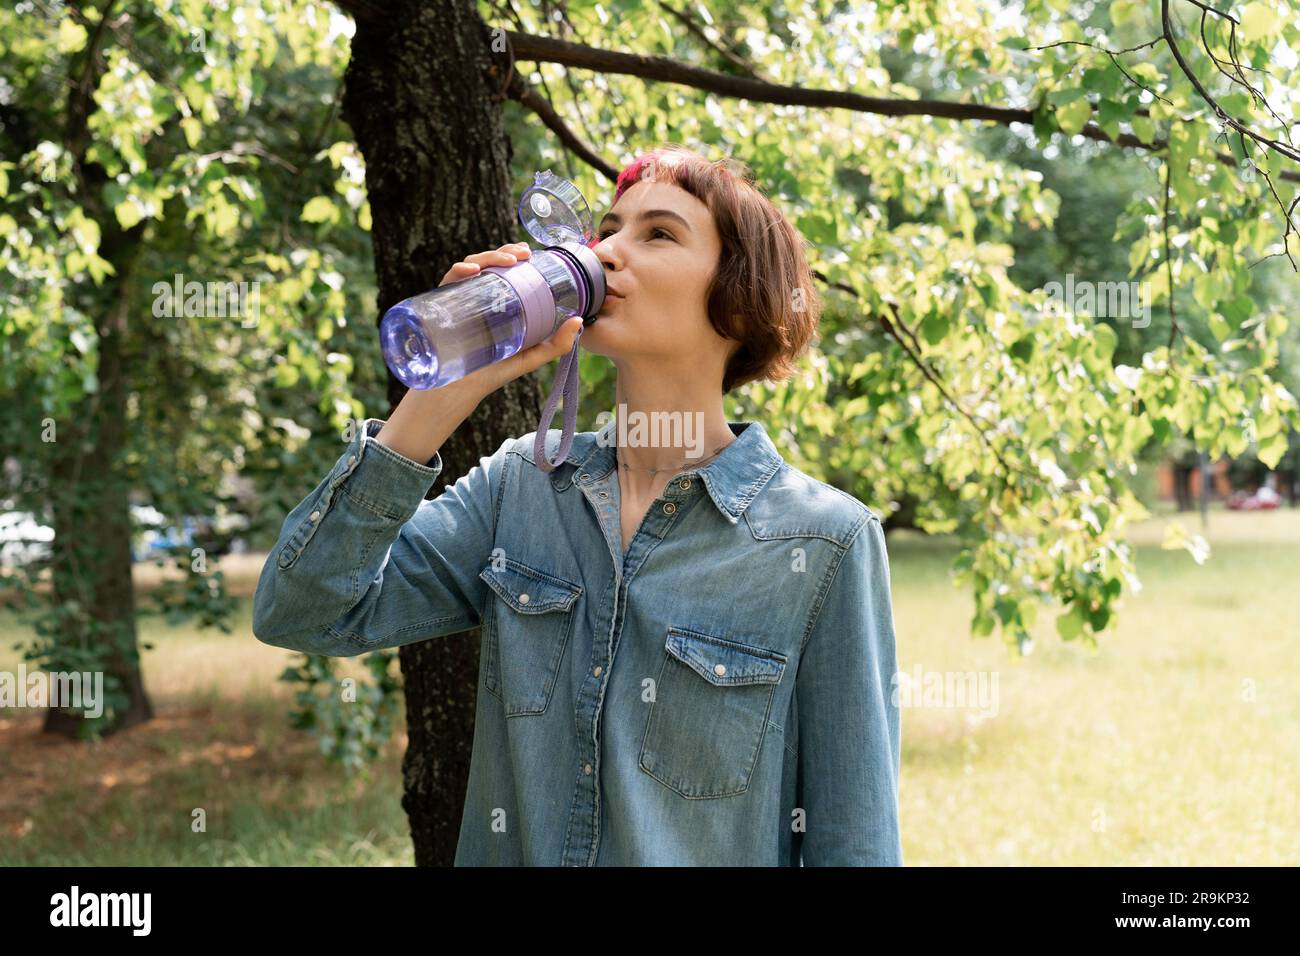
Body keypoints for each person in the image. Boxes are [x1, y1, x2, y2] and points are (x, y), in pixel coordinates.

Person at [252, 144, 902, 866]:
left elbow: (856, 842)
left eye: (658, 233)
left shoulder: (823, 543)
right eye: (608, 230)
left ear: (741, 302)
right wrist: (441, 394)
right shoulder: (520, 489)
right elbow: (301, 610)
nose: (605, 253)